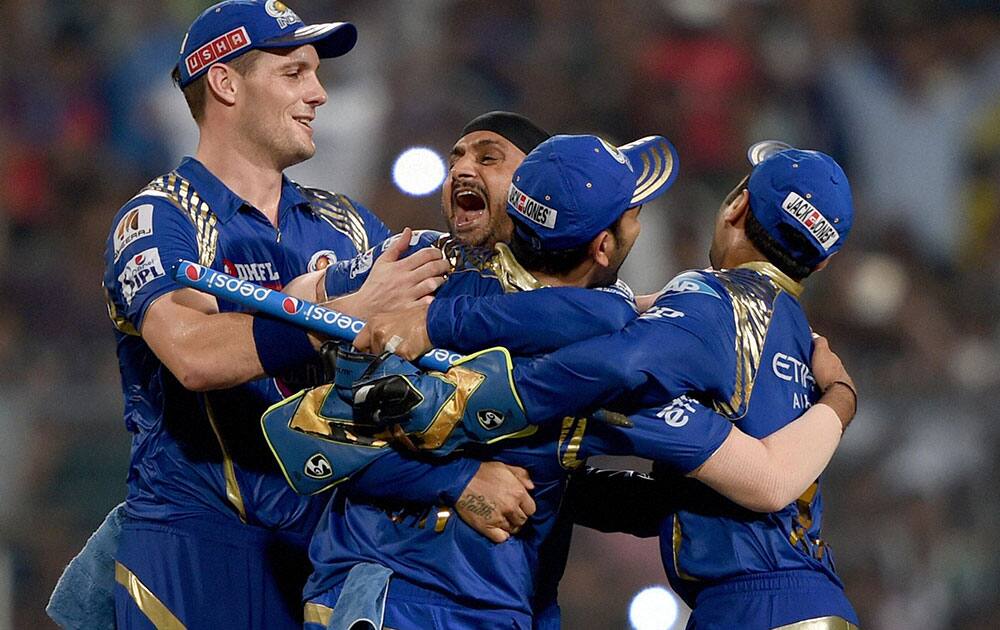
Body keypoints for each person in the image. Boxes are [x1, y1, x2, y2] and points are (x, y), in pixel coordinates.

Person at [273, 134, 856, 629]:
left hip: (509, 604)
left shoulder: (616, 324)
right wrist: (459, 475)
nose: (640, 219)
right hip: (396, 592)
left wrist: (457, 395)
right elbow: (322, 432)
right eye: (634, 209)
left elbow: (587, 466)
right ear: (604, 245)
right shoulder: (425, 273)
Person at [98, 2, 456, 628]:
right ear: (225, 82)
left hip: (326, 553)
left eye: (316, 74)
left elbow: (418, 343)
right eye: (294, 74)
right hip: (195, 553)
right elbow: (194, 355)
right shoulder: (160, 219)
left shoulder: (344, 225)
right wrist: (339, 316)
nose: (318, 94)